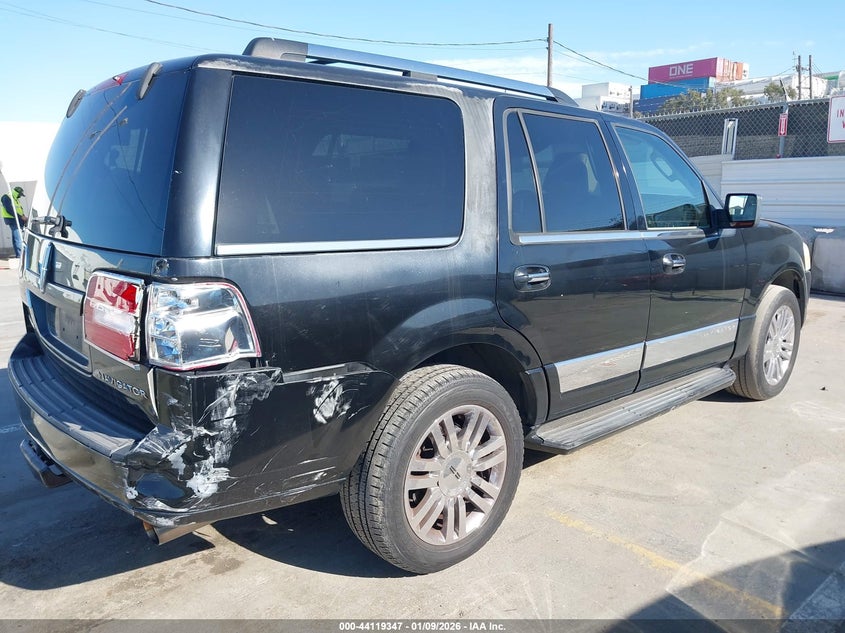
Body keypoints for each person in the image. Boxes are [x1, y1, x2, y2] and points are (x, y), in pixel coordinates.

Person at [1, 185, 27, 258]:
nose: (20, 196)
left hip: (17, 220)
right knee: (18, 238)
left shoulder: (15, 199)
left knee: (16, 238)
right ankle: (20, 256)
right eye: (20, 195)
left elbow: (19, 210)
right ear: (17, 193)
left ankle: (18, 255)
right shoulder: (6, 197)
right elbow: (9, 210)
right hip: (13, 220)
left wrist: (23, 217)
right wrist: (21, 217)